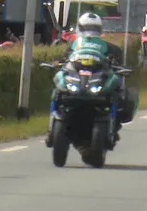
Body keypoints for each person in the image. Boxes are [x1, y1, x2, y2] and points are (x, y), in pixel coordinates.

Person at [47, 13, 133, 146]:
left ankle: (113, 125)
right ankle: (51, 128)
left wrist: (116, 66)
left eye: (93, 27)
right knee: (57, 91)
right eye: (87, 27)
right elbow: (65, 61)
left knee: (118, 90)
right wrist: (58, 64)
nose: (90, 30)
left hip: (97, 81)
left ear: (100, 29)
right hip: (77, 80)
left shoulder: (110, 48)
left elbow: (117, 65)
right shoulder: (73, 46)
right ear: (80, 27)